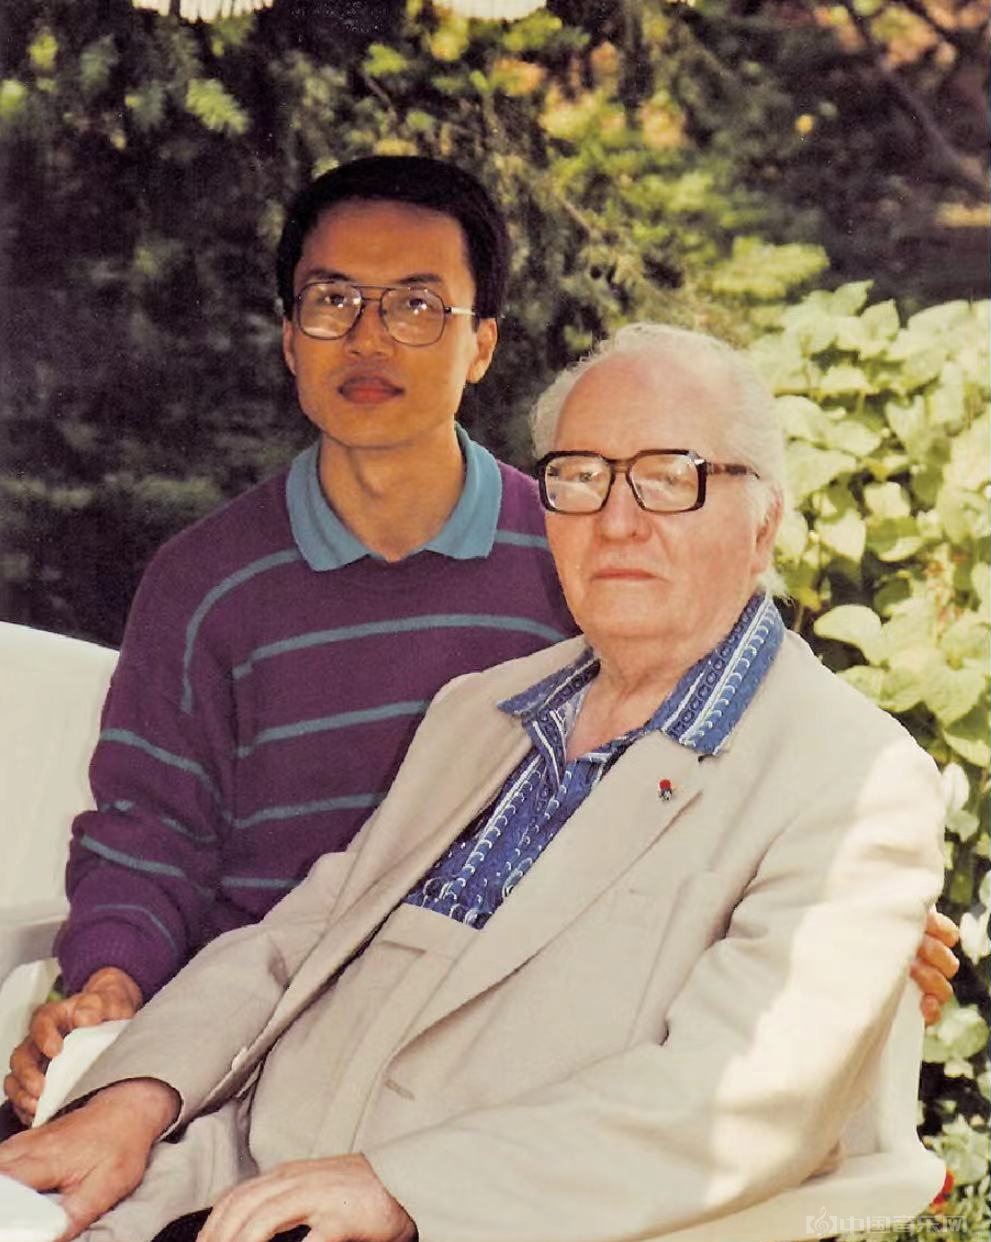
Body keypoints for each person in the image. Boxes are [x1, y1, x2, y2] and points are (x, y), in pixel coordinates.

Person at [0, 324, 947, 1242]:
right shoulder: (481, 710)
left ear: (763, 520)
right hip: (208, 1172)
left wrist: (401, 1190)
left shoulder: (846, 779)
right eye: (579, 477)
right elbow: (296, 940)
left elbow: (738, 1098)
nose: (616, 521)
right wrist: (132, 1098)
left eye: (669, 478)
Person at [3, 156, 577, 1126]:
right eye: (333, 300)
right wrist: (108, 985)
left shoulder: (569, 563)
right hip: (230, 1060)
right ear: (288, 337)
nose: (367, 338)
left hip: (481, 1064)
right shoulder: (204, 582)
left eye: (415, 305)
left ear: (480, 344)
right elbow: (149, 835)